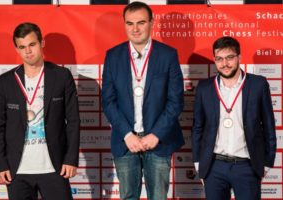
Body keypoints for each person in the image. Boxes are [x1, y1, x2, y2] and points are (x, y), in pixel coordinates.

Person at [101, 2, 184, 199]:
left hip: (158, 140)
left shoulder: (168, 55)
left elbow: (175, 101)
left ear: (151, 23)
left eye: (141, 22)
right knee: (128, 196)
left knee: (158, 196)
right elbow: (108, 101)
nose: (135, 29)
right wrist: (127, 134)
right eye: (130, 23)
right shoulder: (113, 56)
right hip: (125, 141)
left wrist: (156, 134)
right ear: (124, 24)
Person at [0, 22, 80, 200]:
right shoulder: (5, 81)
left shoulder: (61, 76)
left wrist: (70, 159)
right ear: (17, 49)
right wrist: (1, 165)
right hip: (17, 171)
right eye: (22, 47)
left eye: (32, 45)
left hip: (54, 167)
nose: (28, 51)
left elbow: (73, 121)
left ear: (42, 43)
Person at [192, 36, 277, 200]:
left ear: (239, 57)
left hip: (247, 166)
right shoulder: (205, 88)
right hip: (214, 166)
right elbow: (197, 127)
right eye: (219, 59)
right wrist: (198, 162)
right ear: (215, 60)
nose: (224, 64)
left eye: (229, 57)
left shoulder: (258, 84)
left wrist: (267, 162)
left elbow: (268, 125)